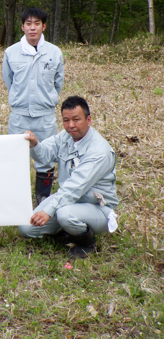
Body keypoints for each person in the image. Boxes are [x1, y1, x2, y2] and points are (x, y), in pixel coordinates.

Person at [18, 96, 118, 258]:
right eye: (66, 120)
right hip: (67, 200)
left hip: (96, 208)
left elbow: (75, 187)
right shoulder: (65, 137)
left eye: (76, 119)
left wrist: (49, 210)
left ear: (89, 120)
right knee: (26, 228)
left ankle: (86, 241)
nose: (71, 125)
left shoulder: (99, 151)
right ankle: (67, 232)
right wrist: (35, 144)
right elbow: (44, 156)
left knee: (65, 214)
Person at [2, 7, 64, 204]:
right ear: (22, 27)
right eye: (28, 24)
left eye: (37, 23)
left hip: (45, 116)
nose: (32, 28)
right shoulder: (11, 52)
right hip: (19, 115)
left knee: (45, 159)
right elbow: (8, 81)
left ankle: (42, 198)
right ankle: (16, 200)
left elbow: (58, 83)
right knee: (16, 159)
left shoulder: (54, 52)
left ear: (43, 26)